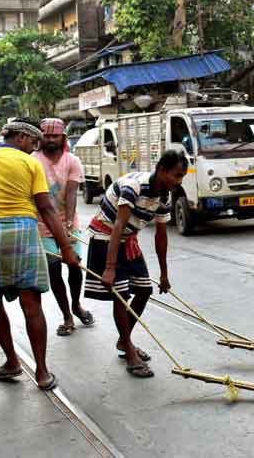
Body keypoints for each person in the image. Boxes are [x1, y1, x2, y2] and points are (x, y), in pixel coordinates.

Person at [0, 118, 78, 391]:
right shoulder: (31, 164)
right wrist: (66, 249)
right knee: (32, 306)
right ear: (20, 138)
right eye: (32, 141)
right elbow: (47, 209)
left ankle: (12, 362)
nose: (34, 147)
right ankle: (41, 372)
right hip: (25, 234)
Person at [84, 150, 187, 378]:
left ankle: (124, 340)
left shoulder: (164, 196)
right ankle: (129, 351)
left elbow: (161, 235)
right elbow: (118, 226)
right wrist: (109, 268)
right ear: (162, 170)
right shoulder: (134, 187)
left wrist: (164, 274)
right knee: (120, 295)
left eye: (182, 177)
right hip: (107, 237)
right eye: (176, 175)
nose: (179, 182)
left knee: (143, 290)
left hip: (128, 240)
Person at [33, 118, 94, 336]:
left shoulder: (72, 161)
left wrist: (68, 224)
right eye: (47, 136)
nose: (50, 140)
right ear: (41, 138)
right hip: (42, 224)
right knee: (53, 267)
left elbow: (71, 194)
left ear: (62, 138)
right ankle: (67, 314)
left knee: (75, 265)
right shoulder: (32, 160)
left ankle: (76, 304)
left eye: (54, 136)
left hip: (69, 222)